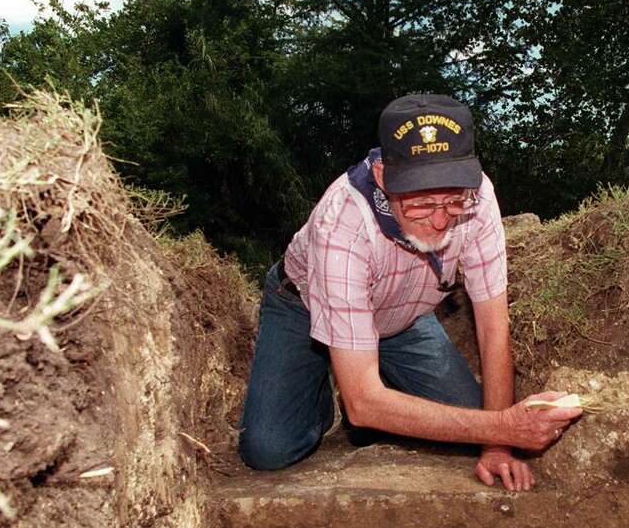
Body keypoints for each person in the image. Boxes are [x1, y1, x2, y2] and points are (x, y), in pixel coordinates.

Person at [238, 94, 581, 491]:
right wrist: (504, 425)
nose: (439, 220)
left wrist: (498, 443)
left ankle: (375, 385)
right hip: (304, 309)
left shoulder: (477, 198)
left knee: (473, 420)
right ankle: (329, 387)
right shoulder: (343, 225)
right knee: (269, 448)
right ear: (383, 177)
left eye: (453, 201)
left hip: (404, 319)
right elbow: (364, 402)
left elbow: (492, 328)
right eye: (420, 203)